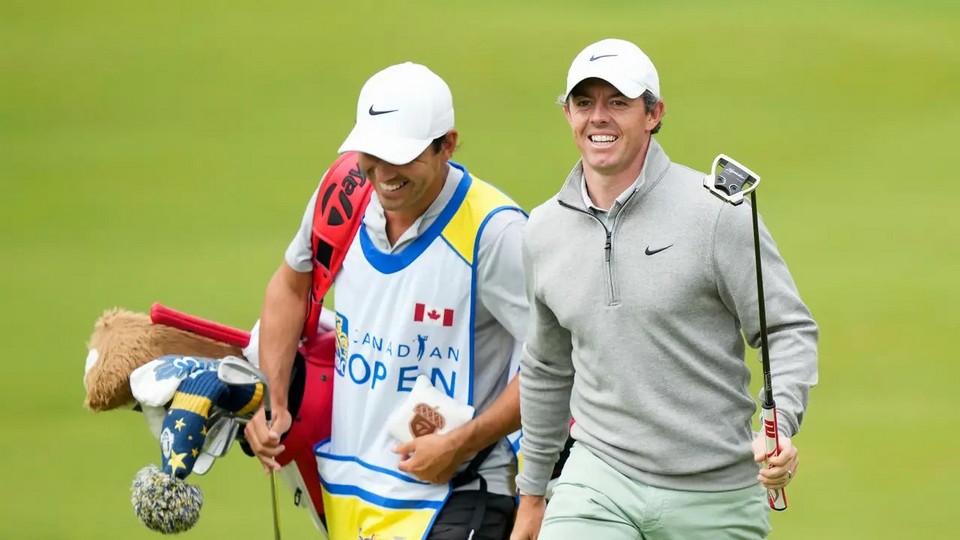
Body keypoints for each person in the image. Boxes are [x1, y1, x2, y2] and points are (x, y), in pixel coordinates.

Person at [511, 38, 819, 540]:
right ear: (568, 114)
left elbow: (787, 328)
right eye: (584, 103)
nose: (598, 118)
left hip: (716, 492)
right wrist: (532, 495)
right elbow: (546, 367)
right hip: (598, 479)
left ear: (653, 114)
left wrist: (779, 421)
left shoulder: (718, 213)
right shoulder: (543, 230)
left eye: (618, 103)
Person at [245, 62, 529, 540]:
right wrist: (273, 401)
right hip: (353, 493)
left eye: (401, 156)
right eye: (371, 154)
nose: (383, 173)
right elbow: (290, 286)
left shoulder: (496, 233)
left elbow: (558, 360)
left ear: (448, 145)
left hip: (461, 495)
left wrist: (461, 443)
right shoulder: (343, 194)